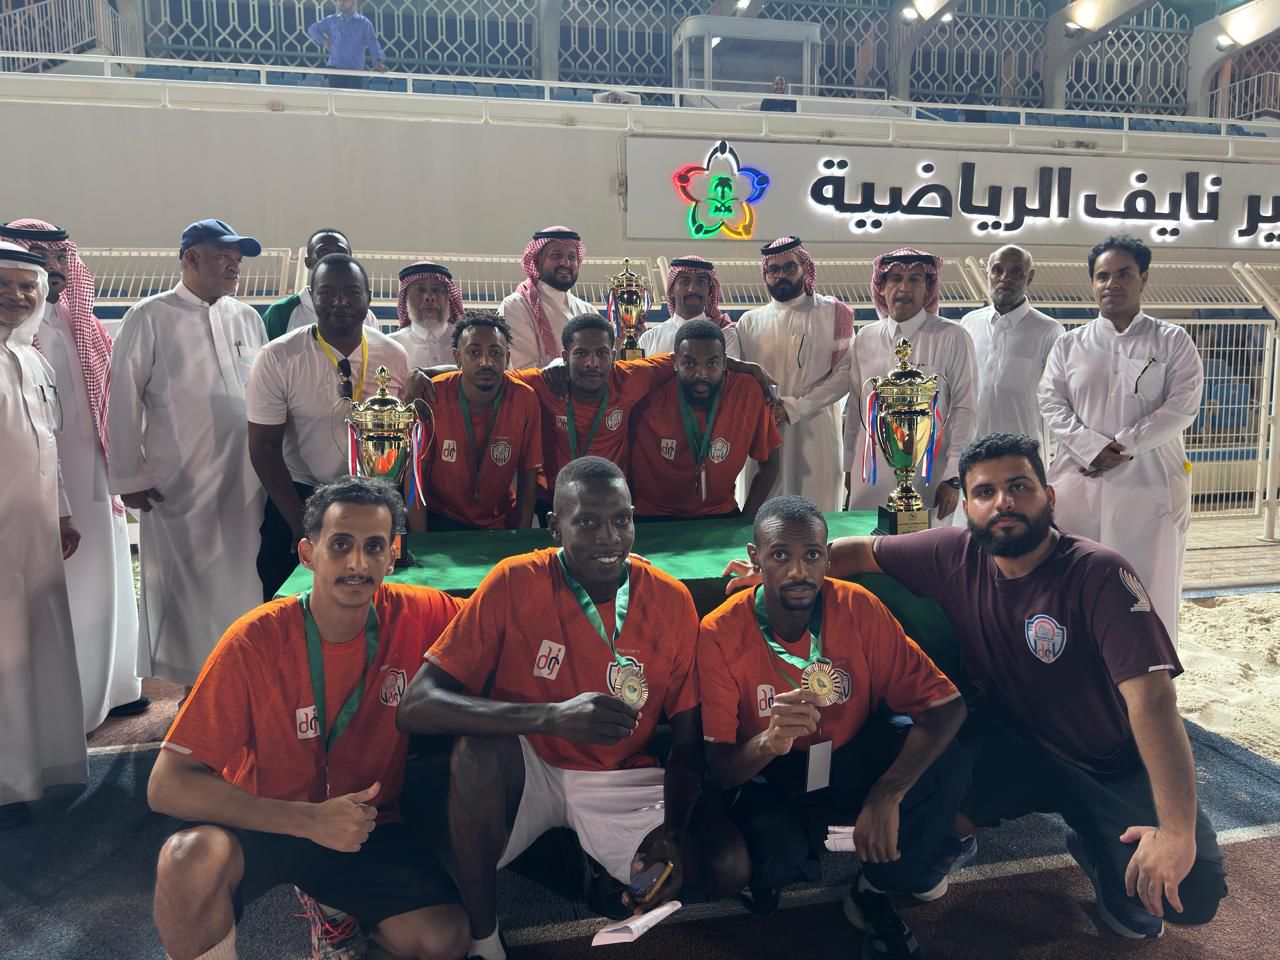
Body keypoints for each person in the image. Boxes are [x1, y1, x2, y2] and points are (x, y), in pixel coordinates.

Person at [730, 433, 1226, 939]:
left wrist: (1176, 832)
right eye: (986, 492)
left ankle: (1099, 849)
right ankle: (951, 840)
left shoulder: (1098, 572)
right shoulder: (953, 551)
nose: (1003, 502)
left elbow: (1154, 702)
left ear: (1049, 496)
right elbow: (857, 552)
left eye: (1019, 487)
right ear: (966, 507)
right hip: (1016, 745)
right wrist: (780, 574)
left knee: (1192, 894)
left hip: (1108, 763)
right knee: (936, 773)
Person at [397, 457, 747, 960]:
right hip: (530, 761)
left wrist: (672, 832)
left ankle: (578, 860)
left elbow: (688, 742)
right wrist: (551, 717)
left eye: (621, 519)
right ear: (554, 526)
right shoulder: (513, 580)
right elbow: (415, 705)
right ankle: (485, 939)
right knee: (476, 749)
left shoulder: (670, 600)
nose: (609, 537)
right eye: (587, 521)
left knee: (724, 867)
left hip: (617, 775)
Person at [148, 477, 469, 960]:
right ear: (307, 553)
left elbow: (498, 621)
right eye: (340, 545)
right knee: (187, 861)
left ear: (392, 556)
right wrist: (308, 821)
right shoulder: (254, 641)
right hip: (268, 820)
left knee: (445, 940)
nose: (357, 563)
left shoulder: (419, 612)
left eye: (373, 547)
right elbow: (166, 785)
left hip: (362, 825)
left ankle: (336, 909)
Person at [701, 496, 967, 959]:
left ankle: (874, 889)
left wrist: (888, 793)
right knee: (775, 858)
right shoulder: (719, 632)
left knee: (947, 760)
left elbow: (947, 706)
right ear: (754, 558)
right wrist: (768, 742)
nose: (798, 571)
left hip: (846, 754)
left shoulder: (857, 606)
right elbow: (719, 769)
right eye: (779, 555)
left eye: (811, 555)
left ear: (827, 557)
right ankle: (782, 865)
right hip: (772, 772)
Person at [109, 219, 267, 686]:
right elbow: (122, 400)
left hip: (246, 482)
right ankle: (195, 690)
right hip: (178, 484)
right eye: (224, 257)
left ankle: (241, 681)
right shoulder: (149, 316)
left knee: (245, 581)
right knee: (188, 589)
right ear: (191, 258)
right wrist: (129, 478)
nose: (234, 266)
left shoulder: (249, 318)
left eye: (237, 259)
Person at [1, 218, 146, 726]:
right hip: (33, 481)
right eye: (43, 257)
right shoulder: (18, 335)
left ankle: (117, 684)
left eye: (62, 257)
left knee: (107, 574)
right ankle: (70, 700)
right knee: (62, 585)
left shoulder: (83, 324)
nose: (56, 267)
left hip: (93, 474)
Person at [1039, 235, 1203, 647]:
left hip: (1149, 482)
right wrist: (1091, 447)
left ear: (1143, 278)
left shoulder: (1172, 341)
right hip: (1079, 481)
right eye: (1103, 276)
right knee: (1078, 581)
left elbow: (1182, 405)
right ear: (1092, 283)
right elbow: (1051, 402)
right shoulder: (1069, 344)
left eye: (1124, 274)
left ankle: (1150, 671)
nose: (1112, 283)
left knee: (1147, 584)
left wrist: (1125, 446)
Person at [248, 253, 409, 600]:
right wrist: (301, 522)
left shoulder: (393, 354)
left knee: (373, 603)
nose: (340, 301)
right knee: (288, 608)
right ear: (312, 296)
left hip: (372, 501)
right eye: (327, 292)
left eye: (351, 292)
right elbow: (263, 447)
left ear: (368, 297)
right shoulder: (278, 356)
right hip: (298, 499)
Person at [0, 243, 86, 829]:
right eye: (2, 284)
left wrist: (61, 514)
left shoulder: (31, 360)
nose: (16, 296)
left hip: (34, 536)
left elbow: (46, 447)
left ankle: (33, 768)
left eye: (26, 285)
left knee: (30, 649)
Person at [844, 248, 978, 525]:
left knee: (923, 548)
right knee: (867, 543)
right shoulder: (865, 337)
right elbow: (856, 408)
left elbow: (965, 409)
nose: (904, 288)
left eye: (915, 279)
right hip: (870, 476)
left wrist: (953, 476)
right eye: (895, 279)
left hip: (929, 478)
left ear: (927, 288)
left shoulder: (952, 337)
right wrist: (849, 467)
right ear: (881, 287)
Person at [736, 235, 853, 512]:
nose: (781, 275)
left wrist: (795, 407)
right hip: (763, 430)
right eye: (773, 270)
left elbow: (845, 374)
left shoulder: (833, 313)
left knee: (816, 510)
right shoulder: (748, 322)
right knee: (764, 514)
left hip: (815, 429)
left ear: (805, 268)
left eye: (790, 267)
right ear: (765, 274)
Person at [630, 319, 781, 521]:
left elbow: (770, 464)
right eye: (689, 363)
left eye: (712, 364)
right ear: (674, 362)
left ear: (725, 363)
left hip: (720, 514)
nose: (701, 374)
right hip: (652, 515)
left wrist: (745, 521)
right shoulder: (646, 390)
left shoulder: (747, 391)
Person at [407, 312, 542, 532]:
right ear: (457, 357)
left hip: (498, 521)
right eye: (474, 352)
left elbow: (529, 473)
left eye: (495, 353)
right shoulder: (433, 395)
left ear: (507, 357)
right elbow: (416, 473)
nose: (486, 362)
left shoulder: (525, 398)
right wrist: (419, 540)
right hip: (440, 517)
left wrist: (522, 535)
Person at [959, 245, 1063, 455]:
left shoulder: (1049, 331)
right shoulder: (969, 323)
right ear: (988, 274)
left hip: (1023, 455)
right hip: (971, 453)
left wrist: (1050, 454)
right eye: (997, 270)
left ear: (1029, 277)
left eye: (1016, 271)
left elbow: (1058, 399)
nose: (1005, 278)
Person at [498, 227, 594, 370]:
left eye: (572, 257)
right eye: (556, 256)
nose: (565, 263)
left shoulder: (588, 310)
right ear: (537, 261)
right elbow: (523, 369)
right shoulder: (516, 305)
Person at [262, 228, 378, 341]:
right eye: (324, 252)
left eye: (341, 252)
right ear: (308, 262)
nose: (333, 258)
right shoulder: (281, 311)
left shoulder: (367, 317)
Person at [639, 255, 740, 358]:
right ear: (671, 290)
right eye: (685, 282)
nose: (693, 289)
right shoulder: (649, 339)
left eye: (701, 282)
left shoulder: (725, 334)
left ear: (709, 291)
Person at [390, 261, 465, 370]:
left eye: (436, 290)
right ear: (405, 299)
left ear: (448, 298)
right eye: (420, 290)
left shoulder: (467, 341)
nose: (429, 297)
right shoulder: (391, 345)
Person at [307, 0, 386, 88]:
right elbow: (312, 29)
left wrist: (378, 60)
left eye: (345, 0)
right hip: (335, 69)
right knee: (336, 97)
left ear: (352, 2)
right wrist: (324, 40)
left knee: (353, 97)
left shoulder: (364, 22)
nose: (341, 2)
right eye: (339, 0)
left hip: (355, 70)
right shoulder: (331, 20)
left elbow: (373, 42)